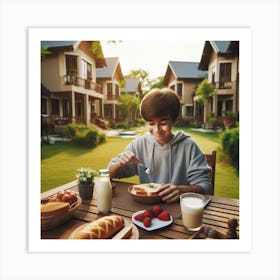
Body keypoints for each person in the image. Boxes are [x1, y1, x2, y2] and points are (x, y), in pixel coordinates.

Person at [108, 88, 212, 203]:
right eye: (151, 123)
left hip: (179, 209)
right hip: (146, 209)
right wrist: (119, 163)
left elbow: (206, 186)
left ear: (175, 120)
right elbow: (107, 175)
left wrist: (182, 190)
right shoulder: (139, 145)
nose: (157, 130)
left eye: (163, 123)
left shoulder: (189, 147)